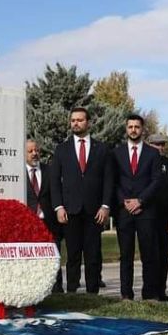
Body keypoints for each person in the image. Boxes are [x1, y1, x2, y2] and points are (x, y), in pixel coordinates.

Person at [50, 107, 113, 295]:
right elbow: (54, 181)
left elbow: (109, 180)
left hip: (95, 211)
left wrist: (105, 205)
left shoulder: (102, 149)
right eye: (73, 120)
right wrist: (58, 206)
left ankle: (93, 294)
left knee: (93, 254)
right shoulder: (62, 150)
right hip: (71, 210)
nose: (75, 123)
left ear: (88, 122)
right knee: (73, 254)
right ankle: (72, 293)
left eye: (80, 120)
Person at [111, 114, 164, 301]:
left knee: (148, 254)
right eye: (130, 126)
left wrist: (140, 201)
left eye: (137, 127)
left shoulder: (153, 154)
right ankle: (126, 293)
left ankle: (149, 294)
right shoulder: (116, 153)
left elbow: (156, 181)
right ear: (126, 129)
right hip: (124, 211)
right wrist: (125, 201)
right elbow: (113, 181)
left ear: (142, 130)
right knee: (126, 255)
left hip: (146, 211)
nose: (133, 130)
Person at [25, 139, 63, 293]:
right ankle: (32, 290)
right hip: (28, 224)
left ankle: (57, 289)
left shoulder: (49, 170)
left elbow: (56, 193)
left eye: (37, 150)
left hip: (49, 223)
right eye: (30, 151)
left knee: (54, 257)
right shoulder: (16, 174)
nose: (35, 154)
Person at [147, 133, 168, 300]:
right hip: (148, 214)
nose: (160, 147)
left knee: (164, 255)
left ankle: (161, 291)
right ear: (149, 144)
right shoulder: (144, 162)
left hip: (164, 216)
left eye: (162, 144)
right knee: (150, 254)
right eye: (156, 144)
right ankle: (149, 290)